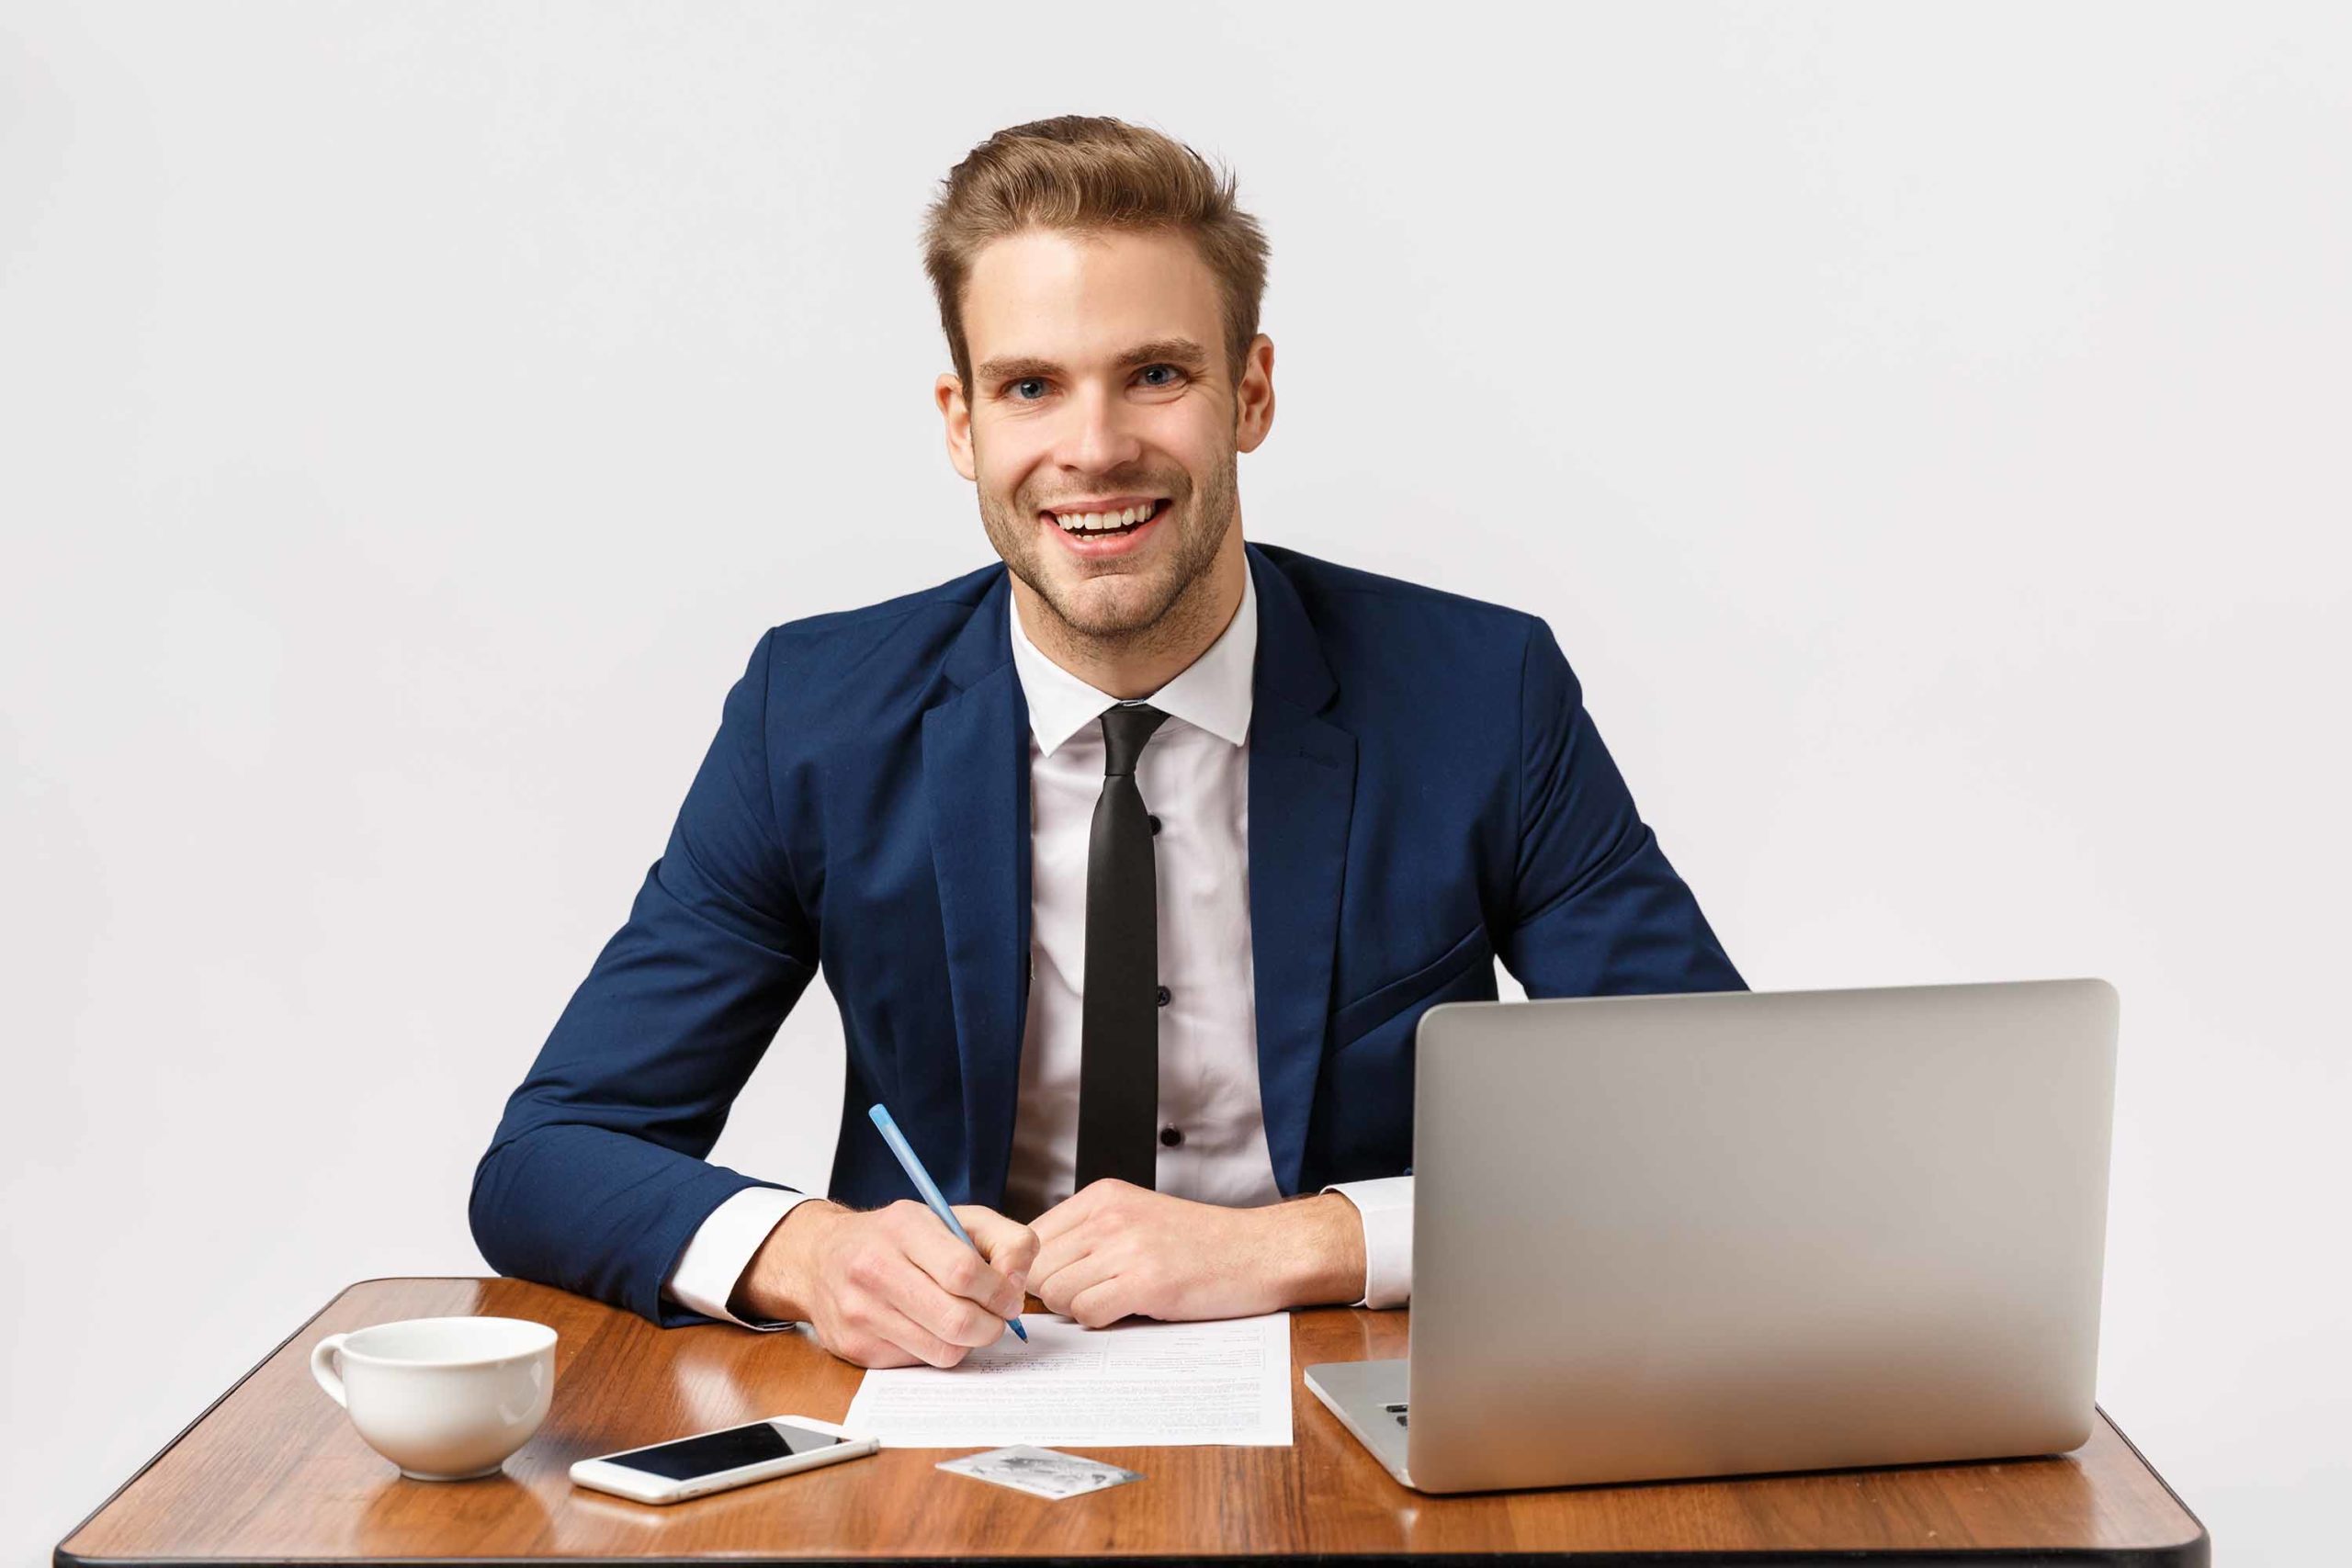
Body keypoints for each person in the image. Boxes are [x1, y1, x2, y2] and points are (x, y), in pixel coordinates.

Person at [469, 115, 1744, 1371]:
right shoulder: (812, 713)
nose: (1093, 450)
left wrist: (1311, 1243)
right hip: (954, 1408)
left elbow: (1715, 1130)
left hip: (1349, 1398)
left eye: (1156, 375)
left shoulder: (1479, 696)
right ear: (962, 423)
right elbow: (550, 1156)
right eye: (1031, 387)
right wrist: (806, 1256)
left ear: (1250, 393)